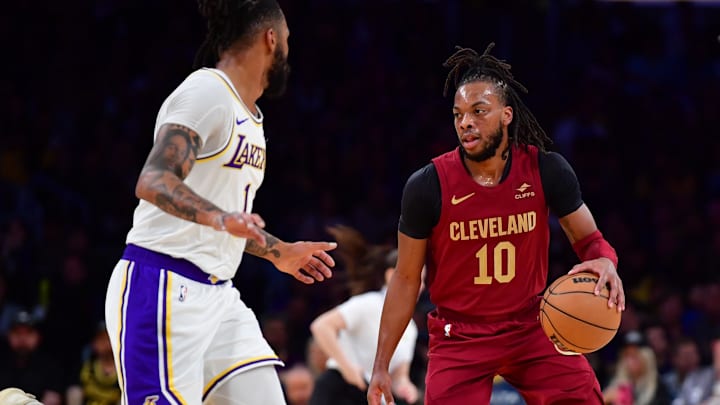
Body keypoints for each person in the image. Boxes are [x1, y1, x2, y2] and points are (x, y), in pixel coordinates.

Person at [103, 1, 337, 404]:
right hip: (161, 286)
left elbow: (229, 219)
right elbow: (154, 179)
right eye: (287, 40)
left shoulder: (251, 117)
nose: (287, 49)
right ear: (271, 40)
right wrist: (219, 219)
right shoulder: (207, 90)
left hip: (219, 297)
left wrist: (278, 251)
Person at [368, 43, 625, 405]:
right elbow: (407, 278)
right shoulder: (427, 185)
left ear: (506, 115)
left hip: (531, 324)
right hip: (459, 335)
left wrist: (605, 260)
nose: (466, 122)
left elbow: (589, 239)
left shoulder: (546, 170)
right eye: (458, 114)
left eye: (478, 111)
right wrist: (381, 364)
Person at [310, 225, 420, 405]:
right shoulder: (369, 303)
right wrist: (347, 369)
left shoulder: (411, 327)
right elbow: (322, 326)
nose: (418, 286)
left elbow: (400, 376)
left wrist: (406, 387)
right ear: (390, 275)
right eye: (414, 278)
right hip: (339, 390)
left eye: (421, 281)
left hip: (369, 395)